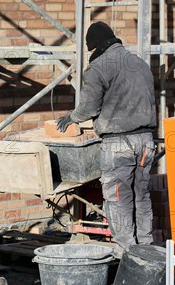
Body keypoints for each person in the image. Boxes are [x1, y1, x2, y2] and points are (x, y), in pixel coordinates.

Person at [57, 21, 157, 258]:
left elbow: (89, 107)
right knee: (141, 195)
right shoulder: (140, 63)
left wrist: (72, 117)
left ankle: (128, 254)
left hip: (118, 144)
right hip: (146, 141)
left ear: (95, 47)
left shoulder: (99, 67)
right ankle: (146, 248)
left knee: (118, 199)